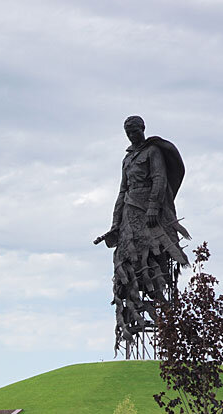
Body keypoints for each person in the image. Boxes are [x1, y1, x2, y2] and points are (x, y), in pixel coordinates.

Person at [95, 115, 191, 354]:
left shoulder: (152, 152)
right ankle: (133, 318)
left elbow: (159, 179)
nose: (131, 135)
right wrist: (115, 223)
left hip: (150, 214)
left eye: (134, 130)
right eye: (127, 131)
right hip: (130, 213)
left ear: (142, 129)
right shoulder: (127, 159)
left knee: (154, 261)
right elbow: (122, 190)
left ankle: (166, 330)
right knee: (128, 266)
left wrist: (153, 208)